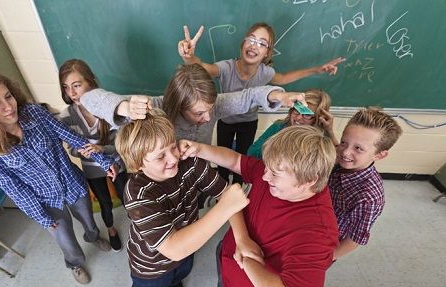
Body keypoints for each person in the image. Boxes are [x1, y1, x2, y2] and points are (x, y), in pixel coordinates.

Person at [0, 66, 120, 284]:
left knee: (89, 220)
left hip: (72, 183)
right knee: (65, 239)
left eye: (8, 96)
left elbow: (71, 137)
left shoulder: (34, 113)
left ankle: (93, 237)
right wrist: (40, 215)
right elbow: (11, 185)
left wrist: (103, 159)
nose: (8, 107)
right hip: (45, 201)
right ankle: (75, 264)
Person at [178, 125, 339, 287]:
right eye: (267, 168)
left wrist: (246, 260)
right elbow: (237, 161)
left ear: (308, 181)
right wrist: (199, 149)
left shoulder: (317, 232)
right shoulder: (279, 173)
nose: (264, 177)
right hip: (230, 253)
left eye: (275, 174)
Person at [114, 110, 260, 287]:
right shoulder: (137, 193)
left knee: (182, 270)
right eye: (160, 156)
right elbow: (173, 247)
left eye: (173, 146)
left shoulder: (189, 163)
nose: (173, 158)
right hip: (151, 266)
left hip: (188, 248)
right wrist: (224, 208)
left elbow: (224, 193)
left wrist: (241, 238)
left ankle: (174, 280)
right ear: (138, 164)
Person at [178, 24, 345, 184]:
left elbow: (285, 78)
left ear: (267, 53)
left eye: (261, 43)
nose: (254, 45)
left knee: (244, 159)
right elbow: (202, 68)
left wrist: (316, 70)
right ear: (243, 44)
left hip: (249, 123)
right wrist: (189, 57)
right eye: (251, 39)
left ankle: (239, 185)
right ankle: (221, 187)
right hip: (226, 121)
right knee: (221, 157)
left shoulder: (266, 73)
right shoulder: (226, 67)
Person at [80, 63, 306, 146]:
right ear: (179, 104)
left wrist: (279, 95)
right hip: (168, 178)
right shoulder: (157, 108)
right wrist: (124, 107)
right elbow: (88, 98)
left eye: (210, 109)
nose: (209, 118)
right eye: (199, 113)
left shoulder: (215, 105)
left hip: (200, 172)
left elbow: (249, 96)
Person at [58, 59, 127, 251]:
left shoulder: (108, 106)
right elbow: (71, 148)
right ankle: (111, 229)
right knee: (105, 203)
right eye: (66, 87)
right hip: (92, 170)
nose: (72, 93)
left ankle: (138, 230)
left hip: (117, 164)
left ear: (90, 82)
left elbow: (123, 141)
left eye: (77, 85)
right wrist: (83, 150)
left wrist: (102, 149)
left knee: (126, 197)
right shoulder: (66, 116)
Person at [330, 108, 402, 260]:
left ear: (379, 154)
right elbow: (342, 150)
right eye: (344, 142)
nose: (345, 152)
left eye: (358, 148)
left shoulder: (369, 198)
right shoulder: (345, 160)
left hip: (326, 243)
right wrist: (329, 130)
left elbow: (354, 239)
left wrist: (321, 261)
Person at [247, 88, 335, 159]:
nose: (298, 118)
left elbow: (335, 163)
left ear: (318, 119)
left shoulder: (319, 139)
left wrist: (330, 131)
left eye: (307, 115)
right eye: (297, 110)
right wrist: (276, 147)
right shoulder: (279, 127)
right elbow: (252, 153)